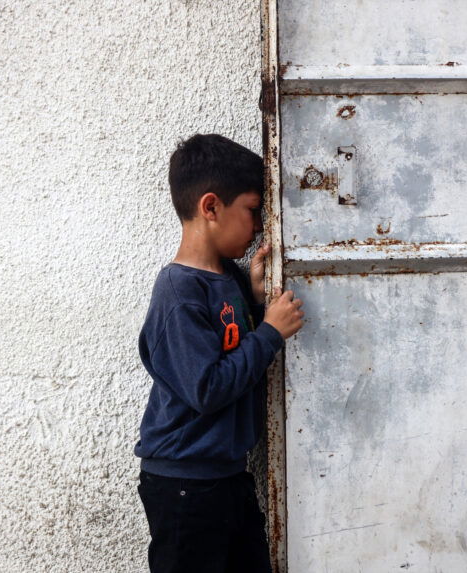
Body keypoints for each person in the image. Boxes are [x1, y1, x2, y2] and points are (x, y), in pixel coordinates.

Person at [134, 133, 305, 572]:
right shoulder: (178, 292)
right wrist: (269, 333)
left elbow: (227, 339)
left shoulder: (225, 276)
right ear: (211, 207)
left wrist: (251, 299)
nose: (259, 226)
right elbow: (206, 387)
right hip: (184, 487)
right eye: (251, 210)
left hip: (225, 476)